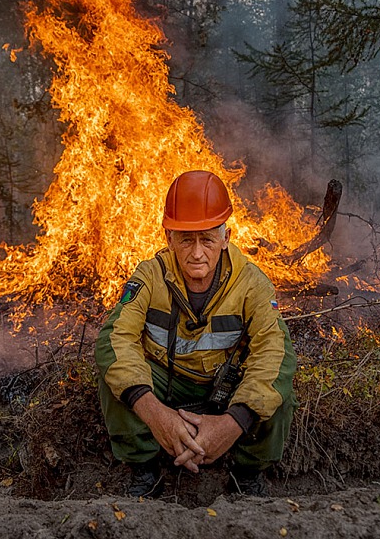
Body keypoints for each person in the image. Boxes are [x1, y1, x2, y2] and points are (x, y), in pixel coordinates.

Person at [95, 170, 297, 498]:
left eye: (207, 239)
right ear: (169, 238)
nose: (197, 253)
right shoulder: (150, 276)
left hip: (225, 387)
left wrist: (230, 424)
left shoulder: (251, 284)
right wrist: (154, 413)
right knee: (116, 378)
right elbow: (114, 340)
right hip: (166, 384)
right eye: (186, 239)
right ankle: (145, 470)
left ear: (226, 237)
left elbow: (274, 352)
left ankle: (247, 474)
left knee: (276, 389)